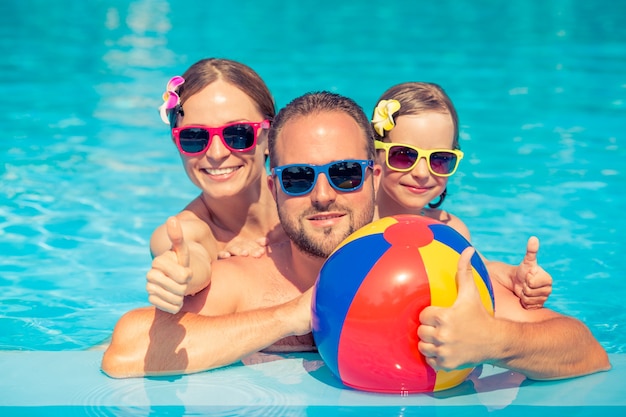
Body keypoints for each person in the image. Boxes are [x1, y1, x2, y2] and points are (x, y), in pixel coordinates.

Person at [101, 91, 610, 380]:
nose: (323, 195)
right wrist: (293, 315)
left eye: (344, 173)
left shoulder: (428, 268)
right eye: (299, 177)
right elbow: (125, 350)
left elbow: (586, 350)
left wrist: (495, 339)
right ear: (274, 188)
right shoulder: (257, 276)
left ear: (373, 176)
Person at [371, 82, 551, 309]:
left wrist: (514, 277)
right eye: (404, 155)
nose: (421, 173)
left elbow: (479, 268)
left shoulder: (448, 229)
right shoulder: (354, 223)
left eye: (440, 159)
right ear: (375, 153)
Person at [147, 58, 285, 314]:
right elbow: (187, 255)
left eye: (238, 133)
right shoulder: (180, 232)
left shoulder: (316, 198)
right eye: (194, 137)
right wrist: (183, 273)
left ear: (269, 136)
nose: (217, 153)